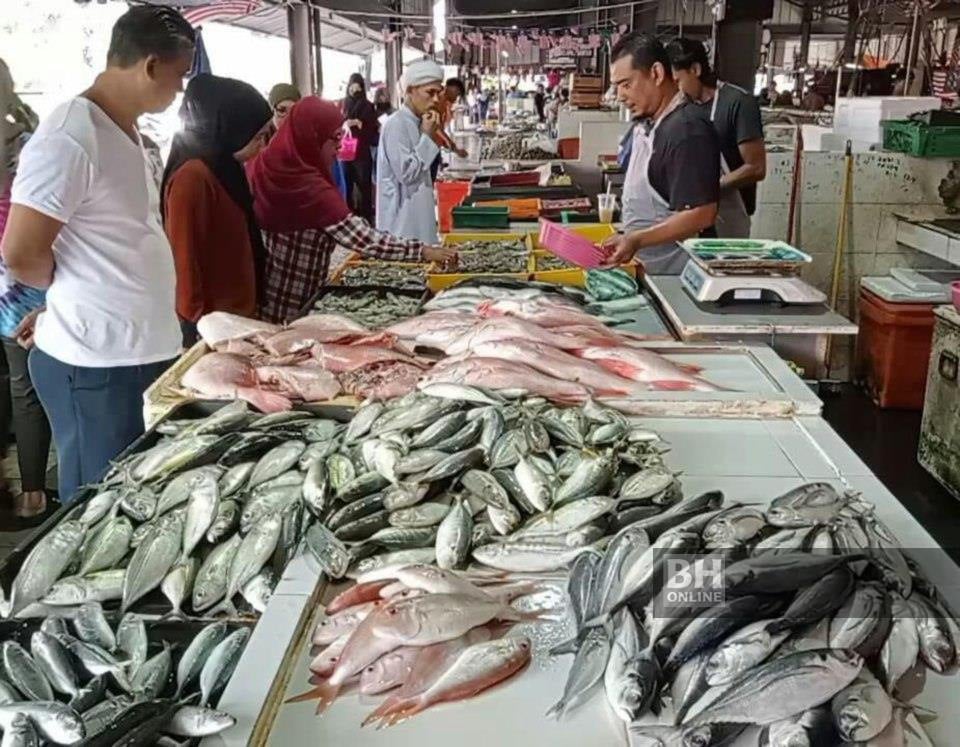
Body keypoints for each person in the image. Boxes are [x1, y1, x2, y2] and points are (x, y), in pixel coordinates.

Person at [0, 6, 194, 503]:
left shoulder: (125, 131)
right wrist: (69, 299)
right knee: (96, 505)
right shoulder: (70, 134)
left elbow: (104, 242)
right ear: (150, 65)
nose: (179, 91)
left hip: (137, 352)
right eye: (178, 77)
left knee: (136, 497)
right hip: (98, 363)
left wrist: (70, 294)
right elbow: (21, 252)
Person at [249, 97, 456, 323]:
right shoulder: (308, 188)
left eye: (342, 135)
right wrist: (423, 251)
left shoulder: (265, 165)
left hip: (269, 296)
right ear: (311, 137)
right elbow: (364, 239)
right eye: (335, 138)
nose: (340, 147)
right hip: (293, 303)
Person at [161, 74, 273, 347]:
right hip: (213, 328)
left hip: (237, 316)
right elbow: (184, 260)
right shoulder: (194, 178)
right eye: (258, 137)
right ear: (230, 129)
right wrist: (197, 328)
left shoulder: (226, 167)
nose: (263, 145)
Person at [601, 32, 720, 275]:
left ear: (656, 73)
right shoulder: (653, 124)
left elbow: (701, 214)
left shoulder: (686, 129)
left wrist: (637, 239)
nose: (620, 96)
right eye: (617, 87)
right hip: (651, 271)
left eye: (626, 84)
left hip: (677, 278)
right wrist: (628, 236)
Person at [0, 59, 51, 522]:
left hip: (11, 285)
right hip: (21, 291)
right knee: (27, 390)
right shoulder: (29, 139)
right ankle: (33, 494)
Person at [667, 38, 765, 238]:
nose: (676, 90)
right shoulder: (683, 107)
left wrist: (709, 187)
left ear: (695, 69)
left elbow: (756, 168)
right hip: (689, 215)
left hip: (729, 217)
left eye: (678, 81)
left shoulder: (738, 103)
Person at [376, 59, 447, 244]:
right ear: (410, 91)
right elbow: (407, 174)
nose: (436, 99)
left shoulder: (419, 121)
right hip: (401, 223)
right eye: (430, 93)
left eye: (439, 93)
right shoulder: (396, 124)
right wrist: (427, 136)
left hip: (418, 216)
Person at [341, 73, 379, 222]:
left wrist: (359, 123)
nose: (354, 89)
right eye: (352, 85)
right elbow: (337, 124)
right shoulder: (344, 104)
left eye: (358, 86)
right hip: (345, 149)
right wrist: (346, 124)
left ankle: (366, 218)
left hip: (362, 151)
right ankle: (348, 216)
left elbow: (371, 129)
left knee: (364, 186)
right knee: (347, 185)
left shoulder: (367, 105)